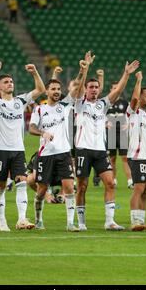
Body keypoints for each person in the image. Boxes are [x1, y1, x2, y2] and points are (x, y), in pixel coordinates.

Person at [74, 59, 140, 231]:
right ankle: (81, 222)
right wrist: (85, 69)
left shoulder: (102, 105)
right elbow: (79, 86)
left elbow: (118, 90)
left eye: (96, 87)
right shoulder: (79, 104)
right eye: (91, 87)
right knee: (82, 186)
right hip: (83, 149)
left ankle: (109, 221)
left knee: (110, 183)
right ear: (86, 89)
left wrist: (126, 73)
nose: (94, 89)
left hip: (100, 150)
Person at [29, 52, 91, 231]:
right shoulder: (40, 109)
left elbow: (78, 89)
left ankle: (70, 223)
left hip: (63, 153)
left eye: (58, 89)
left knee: (69, 187)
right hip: (45, 154)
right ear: (47, 91)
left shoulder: (65, 106)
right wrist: (43, 133)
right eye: (53, 89)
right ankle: (38, 219)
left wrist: (82, 70)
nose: (57, 92)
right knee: (41, 191)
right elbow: (31, 128)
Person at [0, 61, 46, 232]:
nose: (10, 83)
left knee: (22, 182)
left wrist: (34, 72)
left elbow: (40, 90)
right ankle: (2, 221)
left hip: (18, 150)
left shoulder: (20, 101)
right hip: (1, 150)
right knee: (1, 186)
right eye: (6, 82)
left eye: (11, 81)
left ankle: (21, 219)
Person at [127, 71, 146, 231]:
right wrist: (139, 80)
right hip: (137, 157)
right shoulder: (133, 113)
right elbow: (134, 99)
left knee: (145, 190)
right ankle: (134, 222)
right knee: (139, 188)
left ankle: (141, 221)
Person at [106, 82, 132, 189]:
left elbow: (132, 114)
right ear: (111, 90)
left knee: (125, 158)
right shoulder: (106, 103)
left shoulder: (125, 103)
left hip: (122, 134)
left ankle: (130, 181)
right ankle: (113, 180)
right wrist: (105, 123)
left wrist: (128, 124)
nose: (116, 90)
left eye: (118, 88)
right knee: (112, 159)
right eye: (114, 88)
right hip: (111, 133)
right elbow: (99, 115)